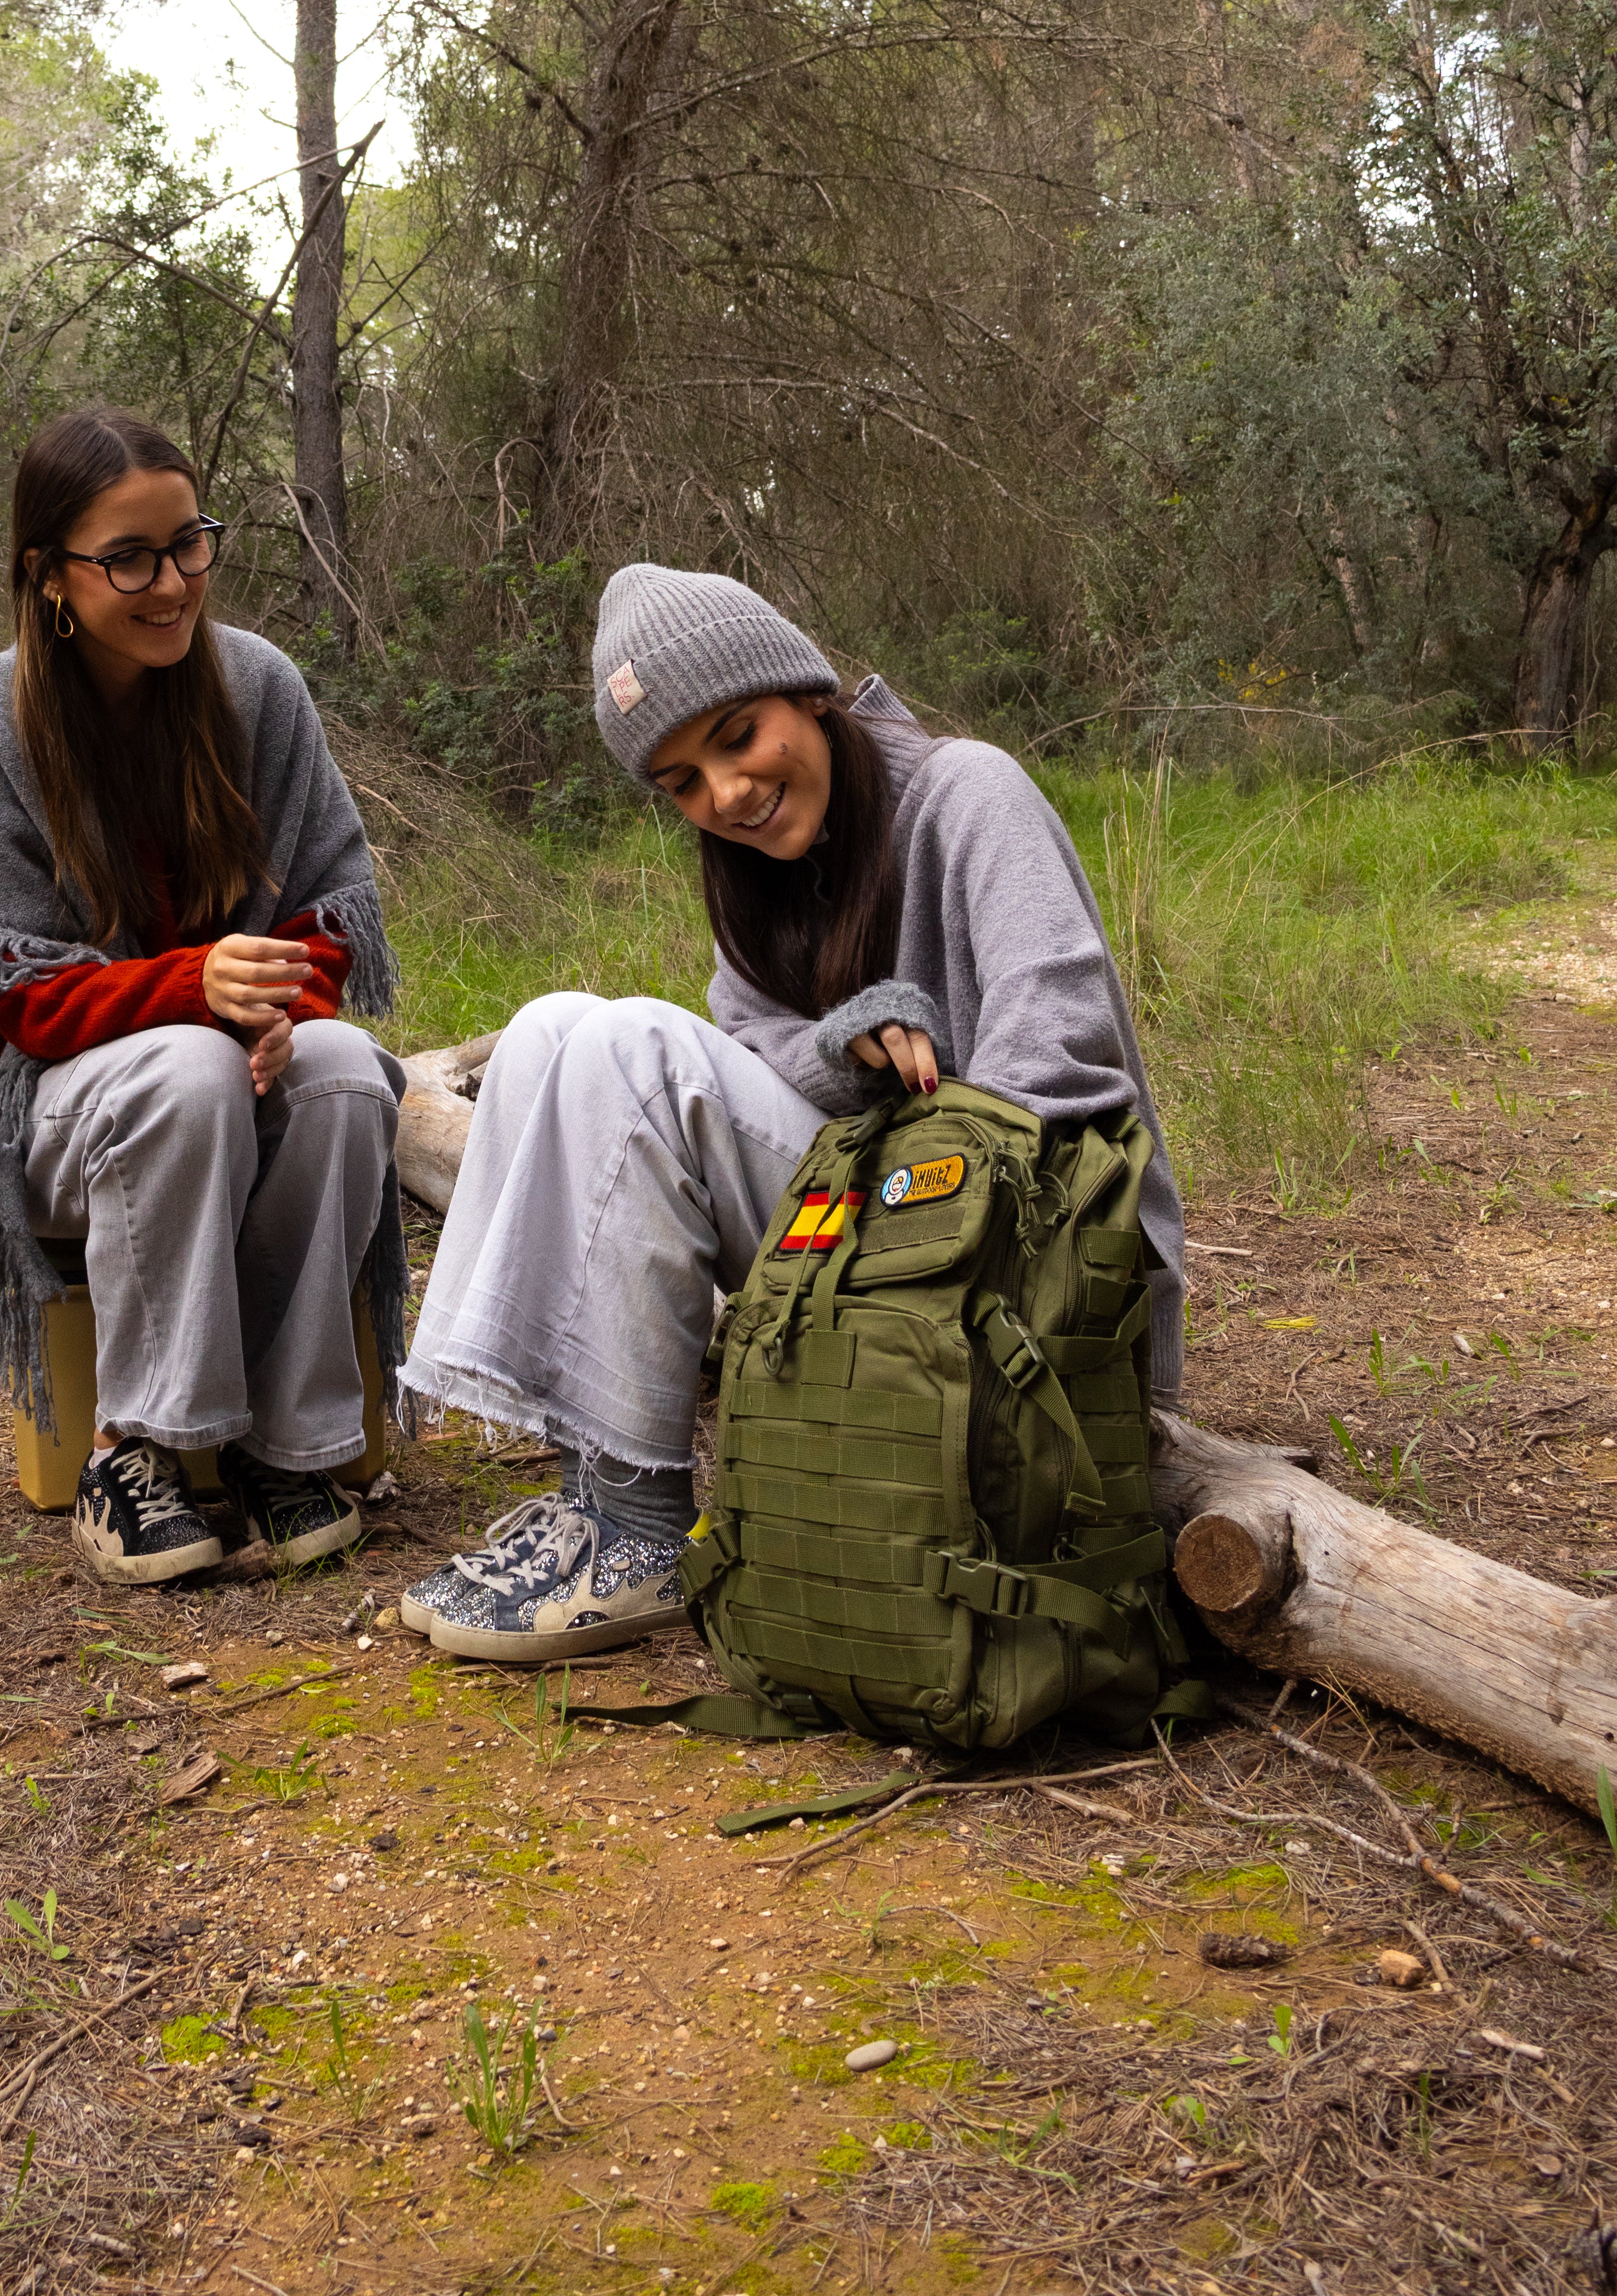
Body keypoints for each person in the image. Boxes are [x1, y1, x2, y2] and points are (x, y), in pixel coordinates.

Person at [398, 564, 1185, 1661]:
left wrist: (917, 1111)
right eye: (681, 781)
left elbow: (1061, 1068)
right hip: (887, 1248)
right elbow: (760, 1051)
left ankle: (641, 1533)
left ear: (806, 693)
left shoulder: (969, 793)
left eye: (736, 736)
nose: (724, 794)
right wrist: (841, 1044)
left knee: (630, 1049)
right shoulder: (755, 866)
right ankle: (595, 1496)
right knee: (548, 1031)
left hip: (1036, 1285)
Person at [0, 406, 405, 1587]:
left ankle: (289, 1448)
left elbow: (326, 909)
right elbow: (10, 995)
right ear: (47, 578)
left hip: (236, 1067)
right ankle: (137, 1450)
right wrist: (198, 993)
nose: (171, 582)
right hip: (42, 1117)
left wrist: (289, 1012)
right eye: (128, 558)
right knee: (187, 1073)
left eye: (189, 544)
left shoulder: (259, 692)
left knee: (346, 1078)